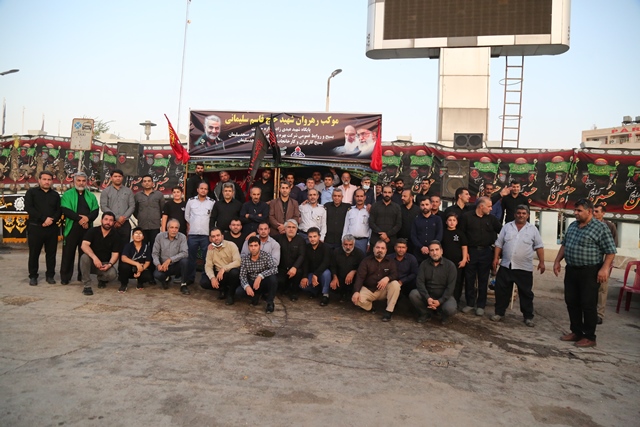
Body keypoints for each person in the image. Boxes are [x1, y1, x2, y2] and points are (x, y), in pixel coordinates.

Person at [553, 199, 616, 348]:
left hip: (590, 271)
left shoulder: (600, 228)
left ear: (589, 211)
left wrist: (604, 268)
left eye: (579, 210)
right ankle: (576, 332)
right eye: (575, 210)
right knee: (571, 301)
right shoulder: (573, 226)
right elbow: (564, 245)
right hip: (572, 270)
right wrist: (557, 261)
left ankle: (589, 336)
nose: (575, 213)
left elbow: (610, 251)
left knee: (588, 304)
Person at [491, 205, 545, 327]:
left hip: (524, 267)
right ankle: (499, 313)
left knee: (526, 293)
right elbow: (499, 244)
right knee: (501, 291)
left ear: (528, 215)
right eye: (519, 213)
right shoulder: (507, 227)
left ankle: (528, 317)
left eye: (524, 213)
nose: (521, 215)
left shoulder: (533, 229)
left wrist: (542, 262)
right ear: (515, 214)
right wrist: (495, 258)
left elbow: (539, 246)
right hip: (506, 265)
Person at [459, 196, 502, 316]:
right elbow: (461, 234)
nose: (491, 208)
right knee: (469, 279)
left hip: (486, 252)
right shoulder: (466, 217)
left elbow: (502, 232)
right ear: (481, 206)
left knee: (483, 280)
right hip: (471, 252)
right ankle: (469, 303)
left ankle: (481, 305)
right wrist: (465, 253)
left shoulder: (492, 219)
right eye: (489, 206)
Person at [60, 172, 99, 285]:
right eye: (79, 180)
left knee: (84, 254)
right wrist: (81, 220)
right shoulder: (67, 194)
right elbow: (66, 210)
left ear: (86, 182)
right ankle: (65, 277)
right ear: (74, 182)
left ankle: (82, 276)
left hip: (87, 229)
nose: (81, 183)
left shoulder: (91, 196)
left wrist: (88, 219)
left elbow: (95, 211)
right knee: (68, 253)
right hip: (72, 228)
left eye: (83, 181)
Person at [25, 171, 61, 285]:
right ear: (39, 180)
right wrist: (43, 219)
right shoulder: (31, 192)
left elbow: (59, 210)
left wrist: (52, 220)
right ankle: (33, 276)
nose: (46, 182)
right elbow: (29, 208)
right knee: (34, 253)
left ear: (52, 181)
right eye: (44, 179)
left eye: (49, 180)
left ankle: (50, 275)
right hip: (35, 227)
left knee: (51, 254)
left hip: (51, 228)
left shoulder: (55, 195)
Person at [409, 241, 458, 324]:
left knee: (450, 308)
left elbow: (450, 287)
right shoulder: (424, 264)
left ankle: (443, 315)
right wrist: (428, 298)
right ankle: (425, 314)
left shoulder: (450, 266)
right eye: (432, 250)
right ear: (429, 252)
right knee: (414, 294)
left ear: (441, 251)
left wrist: (440, 301)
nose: (435, 253)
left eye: (437, 250)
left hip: (444, 296)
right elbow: (420, 282)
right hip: (428, 296)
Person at [352, 240, 401, 322]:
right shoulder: (366, 261)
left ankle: (389, 311)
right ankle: (370, 307)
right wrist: (356, 291)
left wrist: (387, 278)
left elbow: (395, 274)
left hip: (383, 290)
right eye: (378, 247)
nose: (380, 250)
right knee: (356, 299)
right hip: (369, 289)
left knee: (395, 284)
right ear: (373, 249)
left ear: (386, 250)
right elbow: (360, 277)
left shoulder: (390, 261)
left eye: (382, 248)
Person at [79, 212, 120, 295]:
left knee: (112, 274)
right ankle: (87, 285)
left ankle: (101, 279)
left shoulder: (116, 235)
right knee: (84, 257)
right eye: (106, 219)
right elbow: (84, 245)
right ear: (101, 220)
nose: (108, 222)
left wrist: (109, 265)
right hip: (91, 262)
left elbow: (115, 254)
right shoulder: (93, 231)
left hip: (104, 263)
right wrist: (94, 258)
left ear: (114, 223)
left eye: (111, 220)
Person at [185, 182, 215, 285]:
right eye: (201, 188)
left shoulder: (212, 202)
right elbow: (187, 216)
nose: (203, 190)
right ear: (197, 189)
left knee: (206, 258)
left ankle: (205, 278)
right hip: (193, 234)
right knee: (191, 257)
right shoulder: (191, 201)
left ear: (208, 191)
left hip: (206, 235)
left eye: (205, 189)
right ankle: (190, 278)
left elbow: (213, 218)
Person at [201, 228, 241, 305]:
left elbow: (238, 261)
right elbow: (208, 266)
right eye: (213, 236)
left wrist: (224, 268)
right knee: (204, 282)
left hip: (229, 273)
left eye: (218, 235)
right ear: (210, 238)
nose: (216, 238)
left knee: (235, 273)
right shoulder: (210, 249)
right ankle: (222, 289)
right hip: (218, 275)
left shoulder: (231, 245)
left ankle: (230, 294)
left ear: (222, 236)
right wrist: (212, 278)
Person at [593, 203, 618, 324]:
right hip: (592, 261)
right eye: (593, 211)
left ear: (603, 213)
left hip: (604, 261)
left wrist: (607, 265)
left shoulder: (610, 226)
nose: (594, 213)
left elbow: (612, 247)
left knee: (602, 288)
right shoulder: (588, 225)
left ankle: (599, 314)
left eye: (597, 211)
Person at [240, 236, 278, 313]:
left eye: (255, 245)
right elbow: (242, 276)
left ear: (259, 246)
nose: (253, 248)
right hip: (252, 282)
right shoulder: (245, 259)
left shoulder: (266, 256)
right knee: (239, 292)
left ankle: (270, 302)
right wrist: (246, 286)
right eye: (251, 246)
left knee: (273, 278)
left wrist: (260, 276)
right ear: (248, 247)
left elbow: (274, 269)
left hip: (263, 282)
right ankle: (256, 295)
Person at [99, 168, 134, 251]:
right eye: (115, 176)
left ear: (122, 178)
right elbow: (104, 206)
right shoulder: (105, 191)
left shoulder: (128, 191)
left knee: (124, 249)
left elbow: (132, 206)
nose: (118, 178)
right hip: (110, 224)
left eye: (119, 176)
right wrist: (116, 218)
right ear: (111, 178)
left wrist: (123, 218)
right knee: (109, 247)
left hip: (125, 223)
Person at [153, 218, 190, 294]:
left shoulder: (182, 237)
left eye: (176, 228)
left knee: (185, 261)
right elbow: (155, 253)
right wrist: (158, 265)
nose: (174, 230)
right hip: (163, 266)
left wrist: (170, 260)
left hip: (176, 265)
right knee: (157, 275)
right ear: (167, 228)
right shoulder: (159, 237)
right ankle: (166, 278)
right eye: (171, 227)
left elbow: (185, 253)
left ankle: (183, 284)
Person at [441, 212, 468, 306]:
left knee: (457, 282)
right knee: (445, 281)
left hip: (458, 263)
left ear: (457, 222)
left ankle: (456, 300)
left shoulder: (460, 234)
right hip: (445, 262)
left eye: (454, 220)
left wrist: (464, 259)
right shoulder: (443, 233)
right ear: (446, 222)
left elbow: (464, 247)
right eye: (449, 220)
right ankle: (444, 301)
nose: (452, 222)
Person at [300, 227, 332, 306]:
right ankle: (315, 291)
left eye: (315, 236)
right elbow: (305, 263)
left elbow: (326, 262)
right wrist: (305, 276)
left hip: (322, 272)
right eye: (310, 237)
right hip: (312, 273)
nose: (312, 239)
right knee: (302, 286)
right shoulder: (307, 248)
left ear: (319, 237)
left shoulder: (326, 247)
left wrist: (316, 274)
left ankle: (325, 295)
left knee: (327, 273)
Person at [276, 219, 306, 301]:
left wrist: (295, 267)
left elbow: (302, 255)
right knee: (279, 281)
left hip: (295, 269)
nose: (291, 229)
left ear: (297, 229)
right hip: (282, 268)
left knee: (298, 273)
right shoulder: (279, 238)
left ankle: (294, 292)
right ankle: (284, 288)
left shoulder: (301, 240)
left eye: (293, 227)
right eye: (289, 227)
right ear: (285, 228)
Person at [330, 234, 365, 302]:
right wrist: (334, 277)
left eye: (350, 245)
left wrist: (354, 271)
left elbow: (363, 268)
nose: (348, 247)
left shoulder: (359, 253)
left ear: (354, 244)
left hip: (353, 279)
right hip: (339, 277)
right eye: (346, 244)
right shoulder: (336, 252)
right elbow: (332, 266)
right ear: (342, 244)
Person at [118, 227, 152, 292]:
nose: (138, 235)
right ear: (132, 236)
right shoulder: (128, 246)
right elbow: (123, 258)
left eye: (140, 233)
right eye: (136, 233)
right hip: (130, 269)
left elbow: (148, 262)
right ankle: (124, 284)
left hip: (140, 268)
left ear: (143, 237)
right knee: (123, 267)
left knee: (148, 275)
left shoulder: (146, 247)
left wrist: (141, 269)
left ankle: (140, 283)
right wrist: (137, 264)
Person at [134, 174, 165, 247]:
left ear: (152, 183)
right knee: (142, 247)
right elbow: (135, 210)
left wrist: (156, 217)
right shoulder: (137, 195)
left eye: (149, 181)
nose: (147, 183)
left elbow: (162, 209)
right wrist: (140, 217)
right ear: (142, 183)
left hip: (155, 226)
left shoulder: (159, 195)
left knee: (155, 247)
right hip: (142, 225)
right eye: (145, 181)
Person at [369, 185, 402, 253]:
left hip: (390, 240)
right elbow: (371, 222)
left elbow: (398, 224)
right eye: (385, 192)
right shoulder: (375, 206)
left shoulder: (397, 207)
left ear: (392, 194)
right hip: (376, 240)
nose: (387, 194)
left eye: (389, 192)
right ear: (382, 193)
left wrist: (387, 235)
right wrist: (382, 234)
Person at [411, 198, 443, 263]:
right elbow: (413, 235)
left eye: (427, 204)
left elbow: (439, 234)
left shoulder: (437, 219)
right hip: (418, 252)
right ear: (420, 206)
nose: (425, 207)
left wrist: (431, 247)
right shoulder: (416, 219)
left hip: (433, 252)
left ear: (431, 205)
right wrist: (421, 247)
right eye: (422, 205)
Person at [343, 188, 371, 254]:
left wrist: (369, 243)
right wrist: (343, 240)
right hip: (350, 241)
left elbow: (370, 228)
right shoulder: (350, 210)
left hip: (363, 241)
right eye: (357, 196)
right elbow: (346, 226)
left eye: (361, 196)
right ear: (354, 197)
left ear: (365, 197)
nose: (359, 198)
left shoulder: (368, 211)